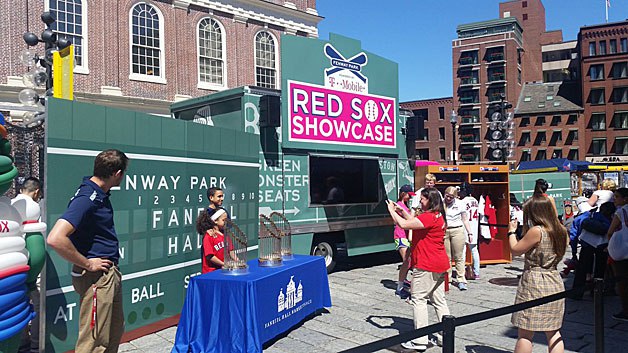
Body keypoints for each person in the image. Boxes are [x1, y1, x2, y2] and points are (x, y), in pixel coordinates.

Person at [47, 149, 129, 353]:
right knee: (93, 342)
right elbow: (55, 238)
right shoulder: (87, 197)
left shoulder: (98, 194)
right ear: (117, 174)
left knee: (112, 333)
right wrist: (89, 263)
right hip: (96, 278)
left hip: (107, 275)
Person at [386, 188, 450, 352]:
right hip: (439, 263)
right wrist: (403, 211)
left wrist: (392, 211)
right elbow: (417, 223)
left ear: (430, 200)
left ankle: (420, 341)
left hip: (426, 264)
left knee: (418, 300)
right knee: (439, 300)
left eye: (423, 199)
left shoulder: (429, 216)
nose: (420, 201)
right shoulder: (438, 215)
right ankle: (446, 336)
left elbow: (404, 224)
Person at [507, 196, 568, 353]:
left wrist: (511, 232)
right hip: (554, 278)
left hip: (534, 280)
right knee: (553, 331)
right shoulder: (561, 230)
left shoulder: (537, 231)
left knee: (525, 332)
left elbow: (515, 249)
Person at [12, 177, 43, 353]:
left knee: (19, 304)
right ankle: (36, 344)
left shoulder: (11, 203)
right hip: (30, 265)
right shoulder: (33, 207)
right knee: (37, 304)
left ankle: (22, 342)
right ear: (37, 191)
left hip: (13, 266)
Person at [571, 202, 616, 299]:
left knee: (582, 270)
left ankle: (577, 293)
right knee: (599, 270)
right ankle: (597, 293)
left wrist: (574, 252)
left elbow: (574, 234)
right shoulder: (612, 220)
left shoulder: (588, 216)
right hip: (603, 246)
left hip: (587, 245)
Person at [443, 186, 472, 290]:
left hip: (457, 229)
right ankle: (448, 279)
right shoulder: (441, 203)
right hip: (445, 230)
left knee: (458, 256)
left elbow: (465, 219)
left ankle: (461, 279)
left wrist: (470, 233)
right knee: (447, 257)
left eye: (451, 197)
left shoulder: (460, 204)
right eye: (447, 196)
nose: (449, 199)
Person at [606, 187, 628, 322]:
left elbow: (610, 231)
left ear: (625, 199)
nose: (614, 199)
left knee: (622, 282)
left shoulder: (621, 212)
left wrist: (610, 244)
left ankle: (626, 311)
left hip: (621, 252)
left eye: (617, 197)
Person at [393, 184, 415, 298]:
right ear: (403, 194)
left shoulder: (404, 205)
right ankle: (400, 287)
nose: (410, 197)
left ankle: (403, 281)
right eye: (408, 195)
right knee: (406, 261)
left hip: (406, 235)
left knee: (408, 261)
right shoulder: (398, 205)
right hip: (400, 235)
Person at [197, 208, 228, 273]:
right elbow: (210, 257)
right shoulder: (208, 236)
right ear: (215, 221)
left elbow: (231, 251)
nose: (226, 222)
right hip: (210, 273)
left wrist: (237, 261)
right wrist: (223, 264)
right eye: (223, 220)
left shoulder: (225, 235)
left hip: (222, 270)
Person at [461, 185, 480, 280]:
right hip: (474, 227)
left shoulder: (463, 202)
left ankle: (462, 272)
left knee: (463, 252)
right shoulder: (475, 201)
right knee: (474, 250)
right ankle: (477, 273)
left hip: (465, 228)